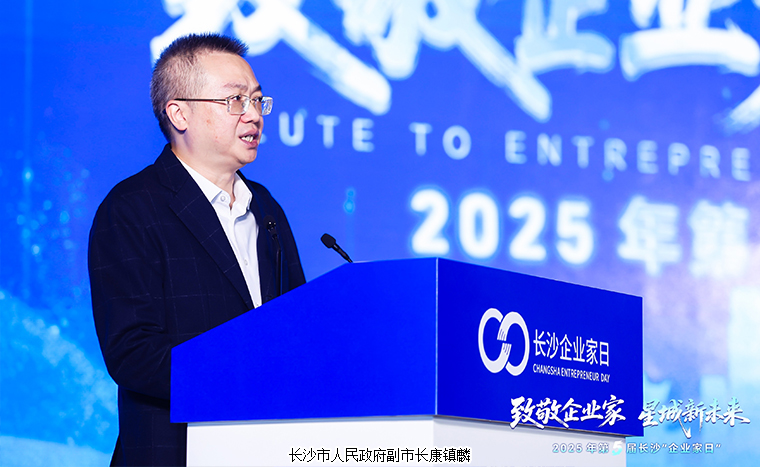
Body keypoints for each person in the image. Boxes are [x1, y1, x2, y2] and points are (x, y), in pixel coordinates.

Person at [89, 33, 306, 466]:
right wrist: (246, 378)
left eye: (257, 100)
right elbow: (133, 352)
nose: (253, 114)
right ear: (179, 113)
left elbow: (297, 327)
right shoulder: (132, 208)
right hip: (177, 451)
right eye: (235, 100)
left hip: (268, 448)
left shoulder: (266, 208)